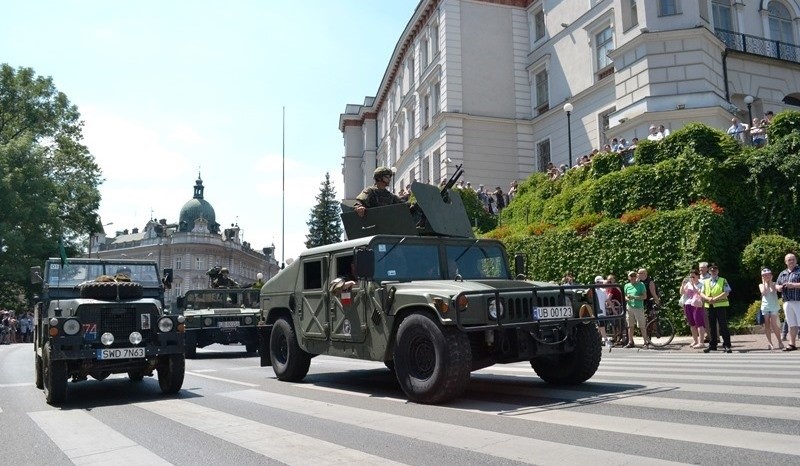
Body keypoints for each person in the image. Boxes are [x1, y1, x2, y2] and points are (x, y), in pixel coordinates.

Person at [701, 263, 732, 353]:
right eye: (711, 270)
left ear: (718, 271)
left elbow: (726, 292)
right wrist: (708, 299)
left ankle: (726, 345)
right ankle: (712, 345)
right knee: (711, 326)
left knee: (723, 326)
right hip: (710, 306)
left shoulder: (723, 280)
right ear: (709, 272)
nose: (713, 272)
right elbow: (701, 292)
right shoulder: (706, 282)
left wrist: (715, 298)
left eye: (715, 270)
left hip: (720, 306)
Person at [776, 253, 800, 351]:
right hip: (787, 301)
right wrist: (779, 288)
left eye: (793, 259)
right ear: (785, 262)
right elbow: (777, 285)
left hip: (798, 301)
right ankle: (792, 344)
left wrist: (793, 285)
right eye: (789, 260)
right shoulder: (782, 273)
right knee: (791, 324)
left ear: (796, 260)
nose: (791, 261)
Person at [759, 268, 784, 350]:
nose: (766, 276)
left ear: (771, 275)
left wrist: (770, 282)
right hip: (765, 307)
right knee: (767, 324)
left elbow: (773, 290)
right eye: (764, 275)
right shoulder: (761, 285)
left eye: (768, 275)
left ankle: (780, 341)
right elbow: (764, 292)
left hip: (774, 306)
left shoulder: (774, 283)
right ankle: (770, 343)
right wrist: (764, 282)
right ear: (762, 276)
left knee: (774, 324)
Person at [624, 270, 649, 349]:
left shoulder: (641, 285)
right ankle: (630, 342)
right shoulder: (626, 286)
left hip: (638, 307)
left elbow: (644, 297)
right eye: (631, 276)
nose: (633, 278)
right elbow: (625, 296)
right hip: (629, 307)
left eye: (634, 276)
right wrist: (627, 298)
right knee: (630, 325)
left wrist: (634, 297)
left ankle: (645, 342)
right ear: (629, 277)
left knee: (641, 325)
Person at [681, 270, 705, 348]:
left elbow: (699, 293)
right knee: (692, 324)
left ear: (697, 276)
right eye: (690, 276)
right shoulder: (688, 284)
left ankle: (701, 342)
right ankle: (695, 341)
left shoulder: (701, 284)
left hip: (696, 305)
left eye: (693, 276)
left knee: (699, 323)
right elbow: (682, 292)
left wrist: (693, 285)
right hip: (688, 304)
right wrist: (682, 284)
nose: (692, 278)